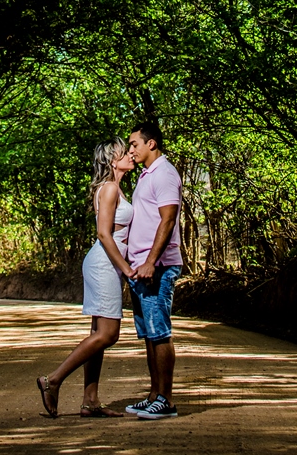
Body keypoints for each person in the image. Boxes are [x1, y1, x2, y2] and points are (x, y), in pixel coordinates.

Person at [37, 137, 135, 418]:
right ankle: (52, 380)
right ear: (112, 160)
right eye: (123, 152)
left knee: (97, 334)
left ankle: (90, 401)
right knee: (108, 334)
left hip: (107, 265)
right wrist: (127, 270)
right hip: (104, 264)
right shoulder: (109, 189)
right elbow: (104, 234)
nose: (130, 154)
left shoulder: (117, 189)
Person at [125, 121, 182, 419]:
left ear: (152, 144)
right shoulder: (145, 176)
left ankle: (167, 399)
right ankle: (154, 394)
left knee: (160, 333)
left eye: (134, 144)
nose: (130, 149)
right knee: (149, 334)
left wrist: (150, 261)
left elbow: (168, 220)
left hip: (157, 268)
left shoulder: (165, 174)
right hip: (140, 271)